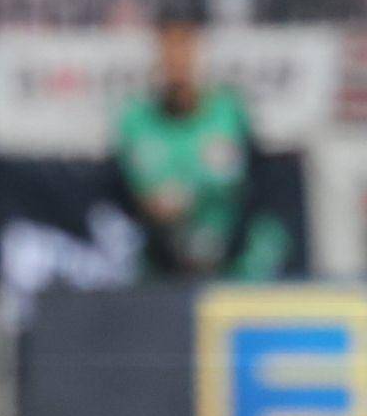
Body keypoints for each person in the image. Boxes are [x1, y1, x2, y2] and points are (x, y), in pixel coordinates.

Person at [113, 17, 287, 278]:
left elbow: (255, 182)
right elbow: (135, 196)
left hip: (233, 260)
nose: (178, 64)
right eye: (169, 53)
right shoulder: (136, 121)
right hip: (163, 265)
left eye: (185, 51)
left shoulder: (230, 112)